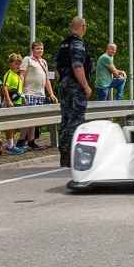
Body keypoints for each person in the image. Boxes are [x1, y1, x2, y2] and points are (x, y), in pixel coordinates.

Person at [56, 17, 94, 167]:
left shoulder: (63, 45)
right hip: (75, 87)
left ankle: (64, 155)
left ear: (71, 26)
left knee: (65, 120)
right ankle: (71, 154)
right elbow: (78, 67)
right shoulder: (78, 44)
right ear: (83, 27)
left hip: (64, 86)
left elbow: (56, 68)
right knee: (75, 122)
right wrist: (85, 86)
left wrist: (63, 83)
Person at [17, 41, 58, 151]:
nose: (40, 50)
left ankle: (31, 140)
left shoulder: (44, 62)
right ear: (32, 49)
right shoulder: (28, 60)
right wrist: (19, 90)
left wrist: (51, 93)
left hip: (40, 93)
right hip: (29, 92)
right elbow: (22, 75)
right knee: (27, 118)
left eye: (41, 49)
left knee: (34, 119)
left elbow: (46, 79)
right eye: (38, 48)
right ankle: (21, 140)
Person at [1, 53, 25, 154]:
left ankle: (11, 144)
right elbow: (4, 87)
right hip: (11, 103)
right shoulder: (9, 74)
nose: (18, 66)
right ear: (10, 64)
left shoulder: (17, 76)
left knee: (14, 125)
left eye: (19, 64)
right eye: (16, 64)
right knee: (10, 124)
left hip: (18, 102)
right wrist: (9, 101)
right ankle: (9, 146)